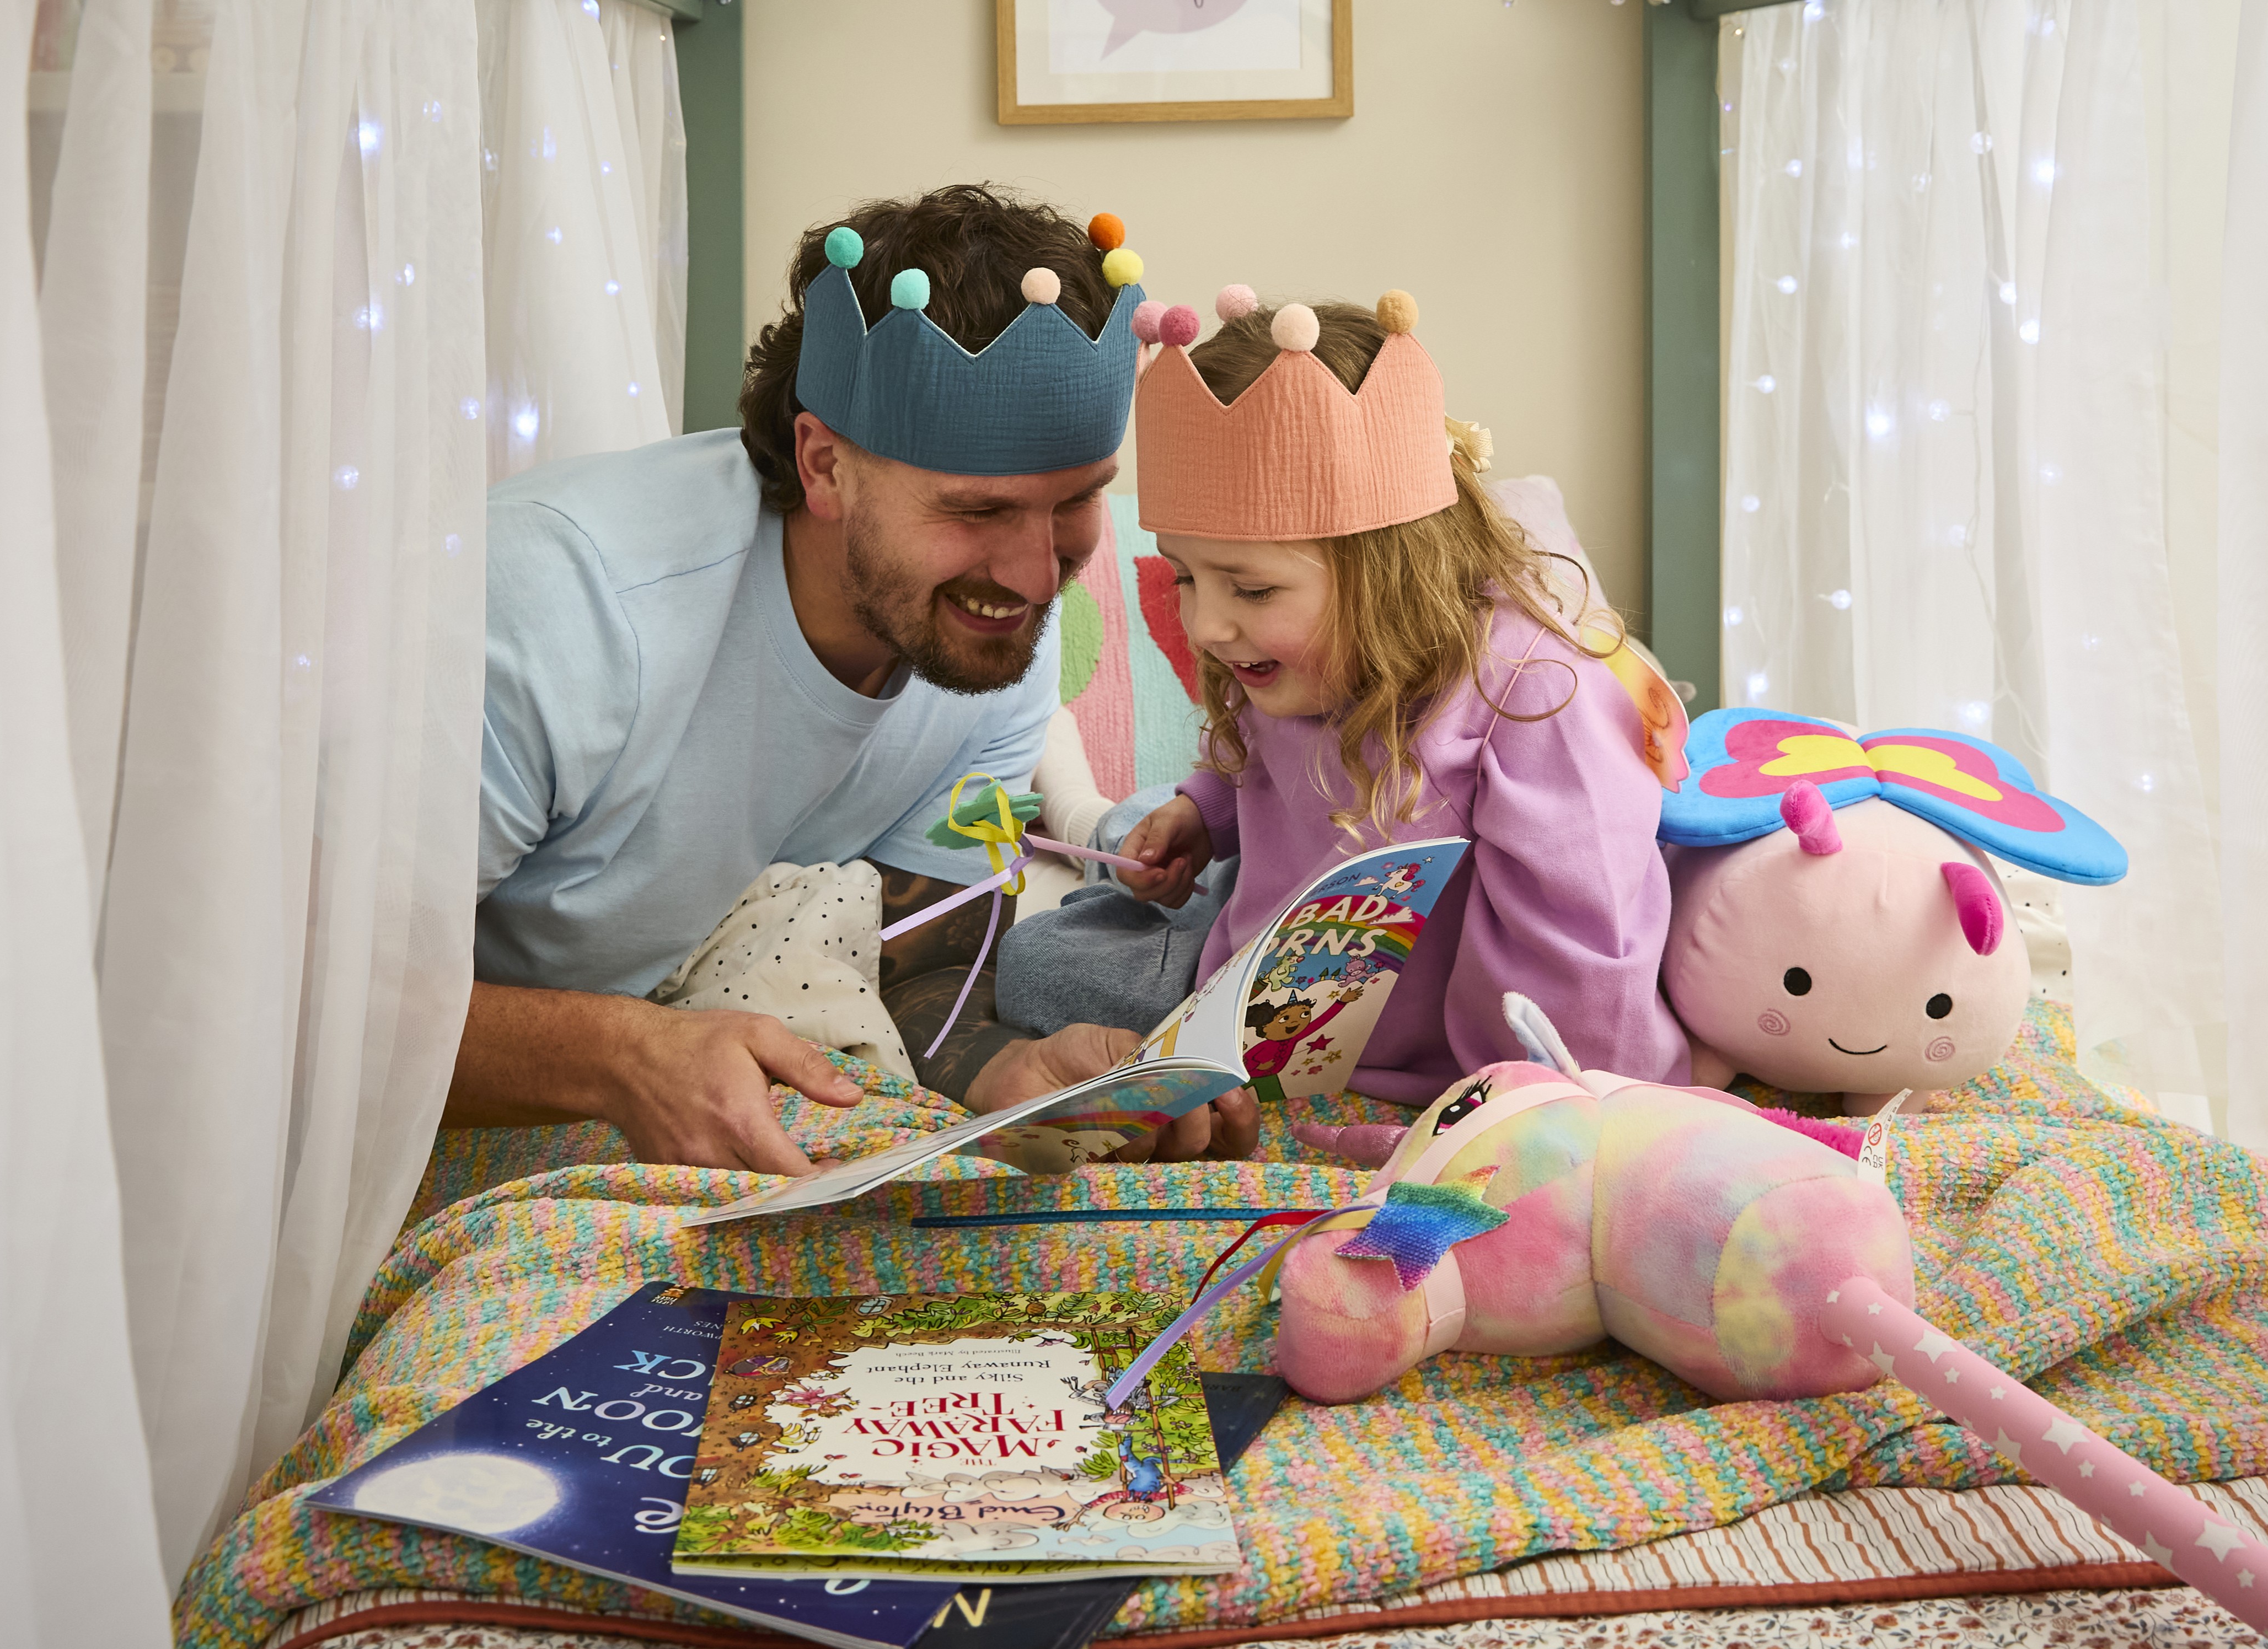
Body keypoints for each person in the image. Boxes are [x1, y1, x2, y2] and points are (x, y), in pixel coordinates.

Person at [444, 185, 1257, 1172]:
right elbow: (299, 1007)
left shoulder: (997, 641)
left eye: (1078, 502)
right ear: (822, 463)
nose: (1039, 575)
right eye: (978, 511)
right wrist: (617, 1055)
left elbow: (923, 965)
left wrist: (1013, 1072)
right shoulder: (561, 604)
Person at [1103, 286, 1688, 1102]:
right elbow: (1257, 763)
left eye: (1250, 590)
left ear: (1388, 569)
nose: (1204, 625)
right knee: (1053, 966)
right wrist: (1205, 812)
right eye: (1187, 578)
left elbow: (1586, 936)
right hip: (1269, 1052)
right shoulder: (1287, 662)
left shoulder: (1533, 689)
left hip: (1486, 1084)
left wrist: (1567, 1105)